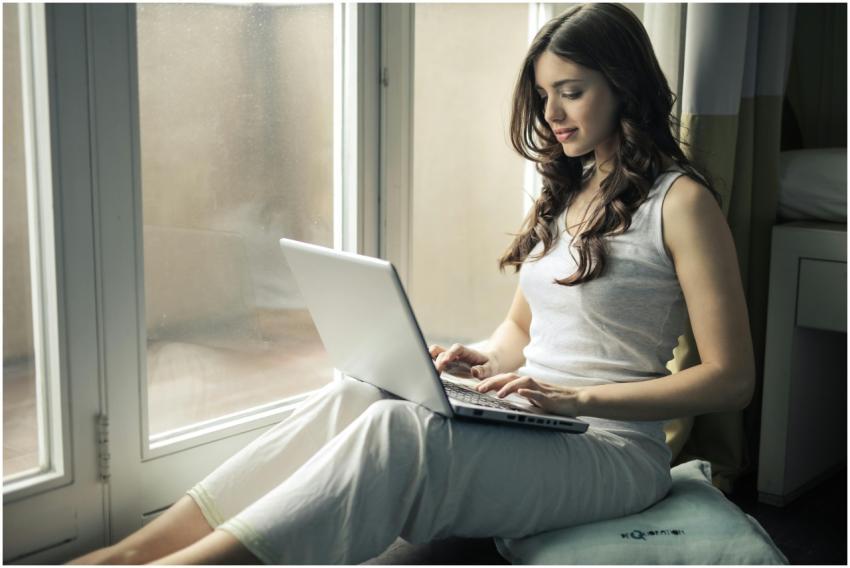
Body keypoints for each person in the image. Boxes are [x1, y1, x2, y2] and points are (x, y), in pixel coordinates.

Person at [68, 3, 755, 565]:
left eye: (570, 92)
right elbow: (520, 331)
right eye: (544, 96)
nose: (551, 114)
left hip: (613, 451)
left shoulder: (682, 202)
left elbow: (731, 379)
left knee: (402, 433)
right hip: (542, 419)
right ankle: (136, 551)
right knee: (360, 392)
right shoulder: (566, 195)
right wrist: (480, 362)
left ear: (624, 85)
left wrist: (573, 394)